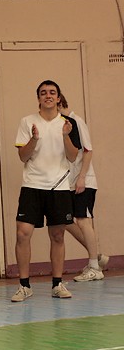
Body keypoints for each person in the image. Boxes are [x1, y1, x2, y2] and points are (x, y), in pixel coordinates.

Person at [12, 80, 79, 302]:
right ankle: (24, 286)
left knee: (58, 235)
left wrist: (66, 135)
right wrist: (34, 138)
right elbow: (23, 156)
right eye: (43, 93)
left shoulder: (68, 123)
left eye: (52, 92)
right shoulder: (27, 122)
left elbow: (72, 157)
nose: (48, 95)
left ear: (58, 98)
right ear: (39, 98)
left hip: (59, 187)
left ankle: (57, 284)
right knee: (22, 233)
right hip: (32, 186)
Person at [57, 93, 109, 281]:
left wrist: (82, 178)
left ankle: (94, 267)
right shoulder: (59, 125)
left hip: (83, 181)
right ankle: (97, 257)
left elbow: (88, 150)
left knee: (83, 220)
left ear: (59, 101)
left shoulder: (76, 121)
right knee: (65, 220)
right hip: (68, 183)